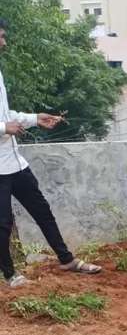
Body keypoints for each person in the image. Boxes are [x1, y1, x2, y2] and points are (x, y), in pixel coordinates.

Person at [0, 18, 100, 288]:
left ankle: (67, 259)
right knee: (3, 223)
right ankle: (10, 276)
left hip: (13, 161)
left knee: (42, 209)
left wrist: (35, 118)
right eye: (1, 37)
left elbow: (6, 114)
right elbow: (3, 122)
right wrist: (3, 127)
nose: (4, 43)